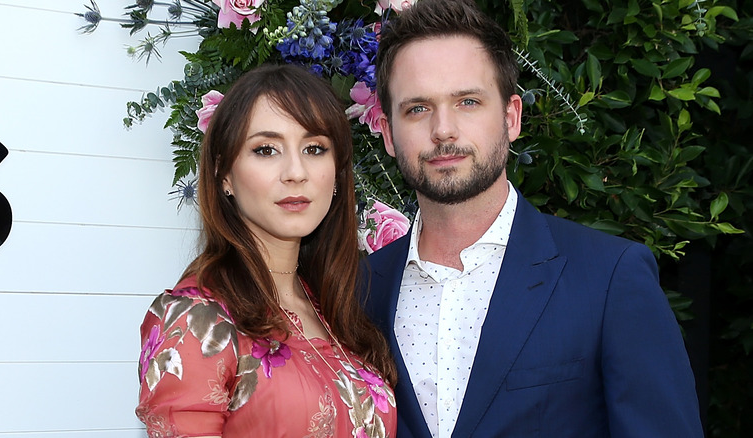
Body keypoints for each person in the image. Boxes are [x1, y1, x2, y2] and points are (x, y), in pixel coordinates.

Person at [363, 0, 704, 437]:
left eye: (467, 101)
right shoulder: (356, 291)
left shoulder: (609, 279)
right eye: (417, 108)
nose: (443, 129)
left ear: (511, 118)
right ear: (388, 133)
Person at [136, 64, 397, 438]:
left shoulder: (339, 312)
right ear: (224, 174)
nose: (295, 171)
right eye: (266, 149)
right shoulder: (196, 319)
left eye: (314, 148)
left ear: (337, 174)